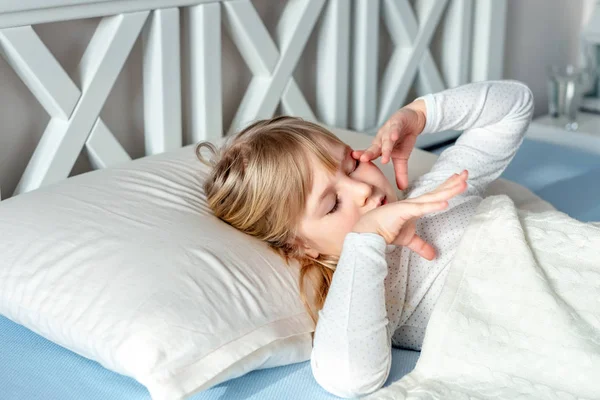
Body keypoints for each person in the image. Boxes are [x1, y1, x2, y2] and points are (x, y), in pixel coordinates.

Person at [196, 80, 534, 398]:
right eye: (332, 205)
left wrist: (420, 114)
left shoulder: (438, 191)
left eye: (351, 166)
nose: (361, 189)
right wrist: (366, 239)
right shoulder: (375, 291)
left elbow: (515, 105)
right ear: (302, 246)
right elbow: (346, 377)